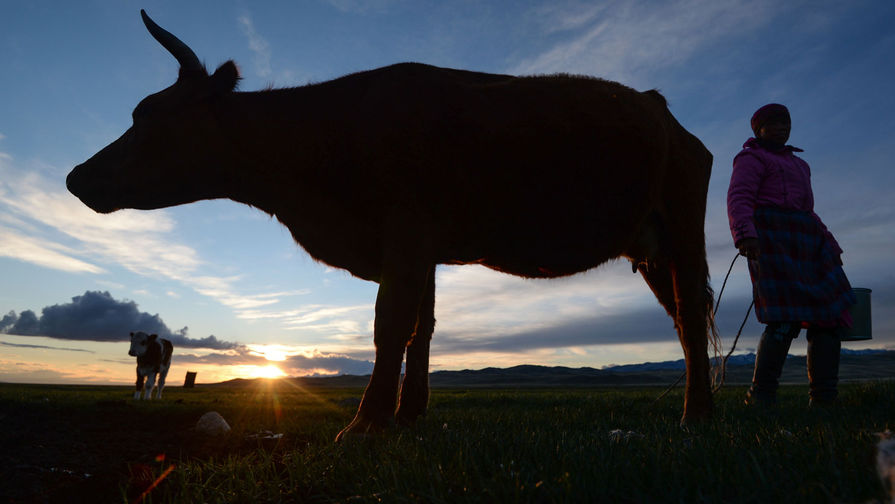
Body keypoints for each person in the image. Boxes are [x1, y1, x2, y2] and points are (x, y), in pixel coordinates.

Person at [727, 103, 855, 408]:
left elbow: (808, 210)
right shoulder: (750, 158)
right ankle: (761, 396)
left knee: (829, 318)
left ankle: (824, 399)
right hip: (772, 238)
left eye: (786, 122)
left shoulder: (801, 166)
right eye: (773, 123)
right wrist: (745, 234)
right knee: (783, 319)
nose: (782, 128)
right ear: (758, 129)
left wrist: (831, 245)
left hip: (807, 240)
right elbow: (739, 197)